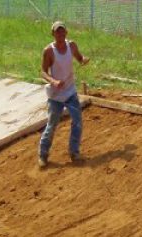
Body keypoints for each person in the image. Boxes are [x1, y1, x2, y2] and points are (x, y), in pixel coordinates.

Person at [38, 20, 90, 168]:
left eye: (62, 31)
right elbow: (43, 72)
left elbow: (80, 58)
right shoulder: (48, 51)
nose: (60, 34)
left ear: (66, 33)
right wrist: (53, 81)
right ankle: (43, 154)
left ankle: (74, 152)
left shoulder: (71, 46)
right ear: (53, 34)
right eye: (57, 31)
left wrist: (84, 60)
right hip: (56, 94)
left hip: (70, 90)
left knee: (77, 120)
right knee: (52, 124)